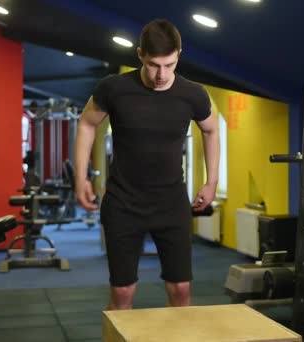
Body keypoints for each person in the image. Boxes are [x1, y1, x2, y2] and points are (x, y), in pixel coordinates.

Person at [74, 19, 219, 310]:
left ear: (179, 54)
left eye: (169, 64)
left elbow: (211, 130)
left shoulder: (193, 94)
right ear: (140, 55)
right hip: (123, 202)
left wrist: (211, 180)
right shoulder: (113, 88)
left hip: (171, 202)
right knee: (123, 293)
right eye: (154, 64)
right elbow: (87, 124)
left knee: (180, 289)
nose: (161, 75)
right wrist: (81, 178)